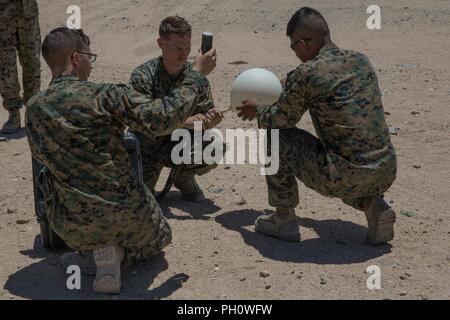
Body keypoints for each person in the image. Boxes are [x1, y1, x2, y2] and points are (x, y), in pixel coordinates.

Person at [25, 27, 216, 294]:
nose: (91, 66)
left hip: (70, 224)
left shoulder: (34, 108)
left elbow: (41, 161)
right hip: (130, 218)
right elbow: (160, 118)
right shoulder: (105, 96)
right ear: (75, 58)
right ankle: (118, 253)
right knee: (160, 238)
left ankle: (92, 254)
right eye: (89, 58)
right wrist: (195, 75)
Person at [237, 7, 397, 245]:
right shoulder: (359, 59)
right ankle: (374, 207)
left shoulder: (308, 73)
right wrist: (272, 86)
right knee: (352, 158)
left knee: (273, 136)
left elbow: (281, 119)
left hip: (343, 175)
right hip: (385, 170)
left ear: (304, 42)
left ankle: (283, 220)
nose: (294, 51)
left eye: (293, 46)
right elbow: (300, 78)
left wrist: (257, 109)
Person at [130, 16, 223, 202]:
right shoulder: (143, 76)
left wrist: (209, 121)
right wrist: (186, 122)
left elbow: (204, 113)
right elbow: (145, 121)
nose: (184, 54)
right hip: (150, 144)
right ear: (161, 43)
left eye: (188, 48)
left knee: (214, 146)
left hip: (180, 140)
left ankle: (183, 175)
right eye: (178, 48)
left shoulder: (195, 75)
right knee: (142, 202)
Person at [0, 0, 41, 133]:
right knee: (6, 66)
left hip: (27, 11)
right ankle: (13, 113)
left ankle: (33, 110)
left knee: (32, 61)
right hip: (3, 14)